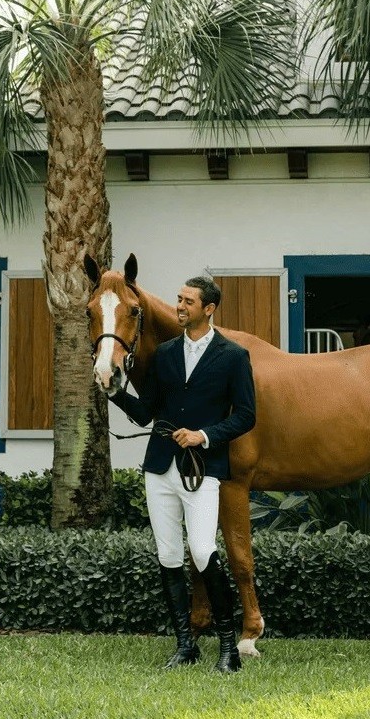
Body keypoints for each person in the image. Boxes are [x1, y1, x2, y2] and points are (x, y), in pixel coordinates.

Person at [109, 276, 256, 673]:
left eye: (188, 301)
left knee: (204, 551)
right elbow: (147, 411)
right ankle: (185, 645)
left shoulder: (233, 356)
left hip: (203, 469)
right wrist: (114, 391)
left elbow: (246, 416)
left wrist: (204, 436)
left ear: (208, 309)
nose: (180, 306)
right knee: (169, 555)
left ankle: (228, 647)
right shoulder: (167, 354)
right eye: (178, 299)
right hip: (159, 467)